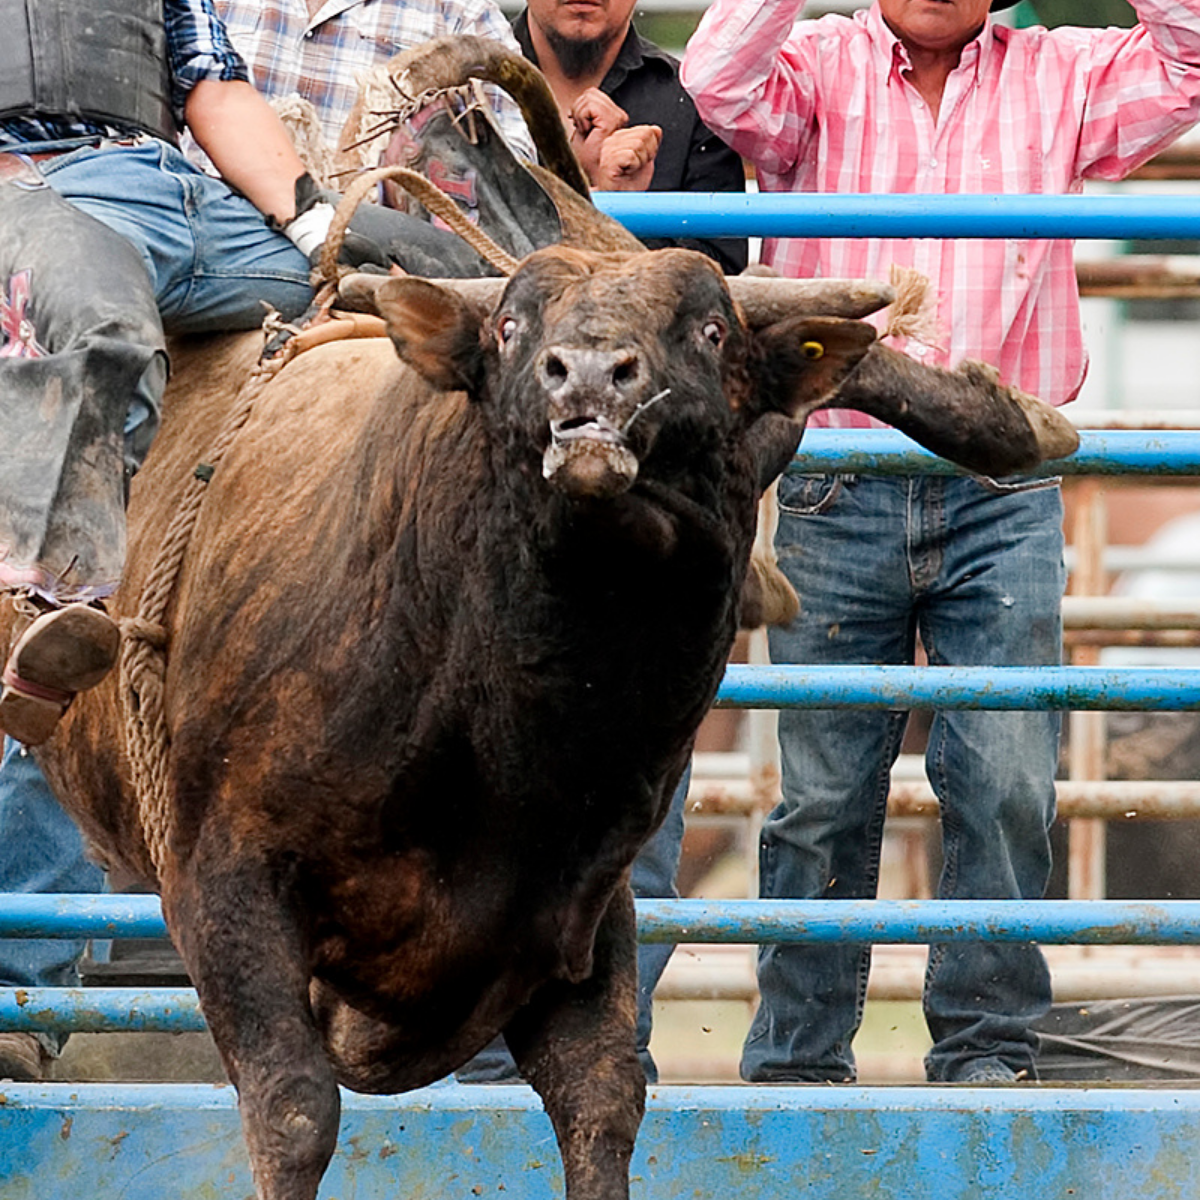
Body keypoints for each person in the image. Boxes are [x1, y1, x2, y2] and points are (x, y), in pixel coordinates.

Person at [681, 0, 1200, 1084]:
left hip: (998, 479)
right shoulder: (817, 60)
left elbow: (1191, 60)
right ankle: (798, 1060)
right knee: (822, 794)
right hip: (839, 474)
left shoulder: (1059, 75)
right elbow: (717, 81)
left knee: (1005, 779)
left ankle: (986, 1051)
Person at [0, 0, 500, 1081]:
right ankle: (58, 601)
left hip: (173, 190)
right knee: (105, 330)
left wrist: (318, 223)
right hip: (25, 192)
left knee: (443, 294)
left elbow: (211, 86)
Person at [449, 0, 747, 1086]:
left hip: (647, 522)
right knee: (471, 786)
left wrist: (619, 235)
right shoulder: (469, 86)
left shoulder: (695, 101)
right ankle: (470, 1052)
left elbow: (722, 290)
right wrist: (575, 201)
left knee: (635, 802)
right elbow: (441, 247)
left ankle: (608, 1047)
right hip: (487, 512)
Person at [514, 0, 746, 274]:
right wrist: (597, 200)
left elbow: (723, 278)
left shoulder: (697, 107)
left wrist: (618, 212)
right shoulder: (463, 91)